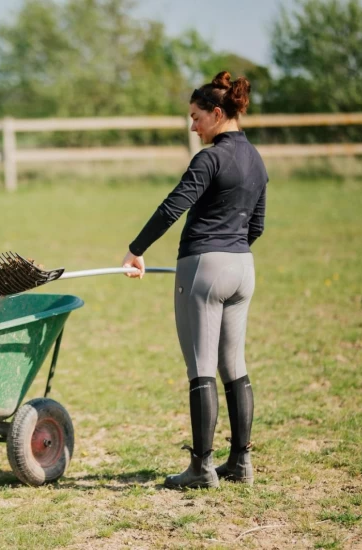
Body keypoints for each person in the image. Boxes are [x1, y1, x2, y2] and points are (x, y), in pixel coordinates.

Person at [121, 71, 267, 489]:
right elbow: (256, 224)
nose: (192, 125)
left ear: (217, 113)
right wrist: (232, 247)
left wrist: (137, 249)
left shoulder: (209, 158)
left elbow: (172, 208)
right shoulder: (256, 159)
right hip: (243, 269)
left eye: (196, 116)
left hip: (204, 269)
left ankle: (202, 468)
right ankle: (240, 463)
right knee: (234, 367)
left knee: (201, 368)